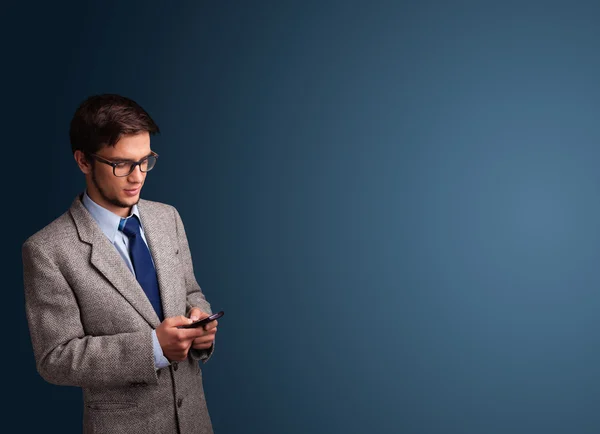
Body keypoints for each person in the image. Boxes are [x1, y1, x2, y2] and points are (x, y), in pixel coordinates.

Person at [22, 94, 218, 433]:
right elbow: (55, 359)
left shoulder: (167, 218)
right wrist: (153, 348)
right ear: (83, 161)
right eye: (121, 164)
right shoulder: (47, 251)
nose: (137, 176)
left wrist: (199, 322)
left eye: (146, 161)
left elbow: (191, 292)